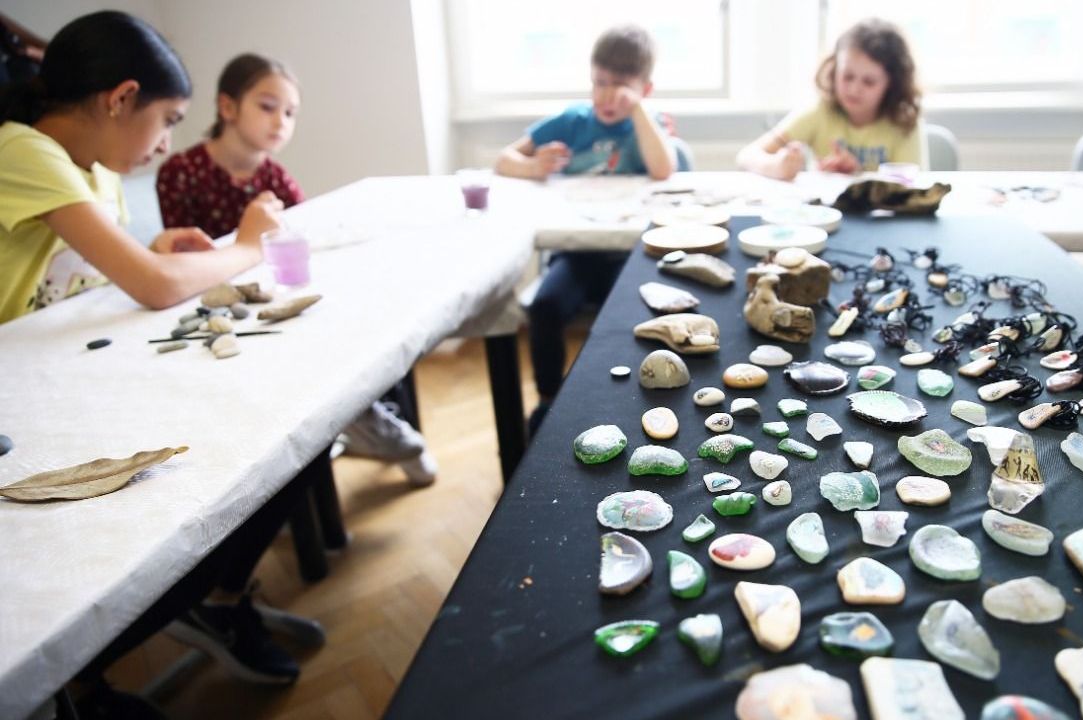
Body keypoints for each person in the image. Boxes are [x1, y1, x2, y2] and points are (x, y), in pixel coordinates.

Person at [0, 12, 314, 716]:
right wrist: (246, 245)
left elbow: (87, 276)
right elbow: (152, 288)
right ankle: (88, 673)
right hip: (21, 395)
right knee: (233, 455)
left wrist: (155, 248)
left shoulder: (94, 169)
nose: (169, 140)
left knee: (286, 429)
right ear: (121, 99)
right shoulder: (22, 151)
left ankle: (196, 608)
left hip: (69, 370)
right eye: (167, 119)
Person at [157, 53, 438, 485]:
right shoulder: (180, 173)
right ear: (227, 107)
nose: (281, 122)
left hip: (277, 297)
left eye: (290, 113)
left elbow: (304, 241)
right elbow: (182, 256)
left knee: (349, 326)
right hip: (220, 306)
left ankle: (369, 421)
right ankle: (355, 428)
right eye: (268, 107)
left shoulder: (277, 179)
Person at [495, 24, 676, 434]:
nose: (607, 96)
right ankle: (547, 401)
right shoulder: (573, 120)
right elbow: (504, 160)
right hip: (577, 252)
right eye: (599, 83)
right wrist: (533, 166)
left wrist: (638, 112)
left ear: (645, 90)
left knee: (625, 317)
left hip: (629, 255)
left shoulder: (647, 125)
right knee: (544, 305)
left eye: (621, 87)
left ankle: (617, 403)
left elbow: (664, 169)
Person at [738, 18, 924, 181]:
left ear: (892, 83)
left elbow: (910, 188)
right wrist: (778, 166)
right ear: (834, 70)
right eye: (847, 76)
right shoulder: (820, 112)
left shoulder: (904, 122)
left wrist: (856, 175)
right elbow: (746, 156)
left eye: (869, 82)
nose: (854, 89)